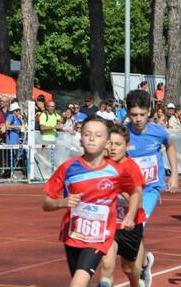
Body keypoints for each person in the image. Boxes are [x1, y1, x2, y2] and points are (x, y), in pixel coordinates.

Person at [42, 117, 141, 287]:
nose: (92, 138)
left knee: (77, 283)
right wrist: (62, 202)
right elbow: (47, 203)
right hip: (73, 235)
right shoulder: (68, 168)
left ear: (107, 143)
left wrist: (130, 216)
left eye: (98, 135)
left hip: (99, 236)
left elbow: (135, 192)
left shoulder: (116, 171)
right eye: (87, 134)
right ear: (81, 140)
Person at [125, 89, 179, 286]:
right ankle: (146, 261)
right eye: (133, 115)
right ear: (127, 113)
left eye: (142, 114)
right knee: (132, 230)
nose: (138, 119)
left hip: (150, 189)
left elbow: (171, 146)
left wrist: (173, 173)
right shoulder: (123, 134)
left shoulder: (158, 132)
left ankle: (138, 275)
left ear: (149, 111)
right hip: (128, 191)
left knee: (138, 225)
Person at [98, 124, 146, 287]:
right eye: (110, 143)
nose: (113, 148)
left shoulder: (132, 168)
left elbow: (138, 202)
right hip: (109, 225)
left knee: (128, 268)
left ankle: (137, 283)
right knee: (106, 265)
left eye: (118, 144)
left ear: (126, 146)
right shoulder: (102, 164)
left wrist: (121, 190)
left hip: (130, 226)